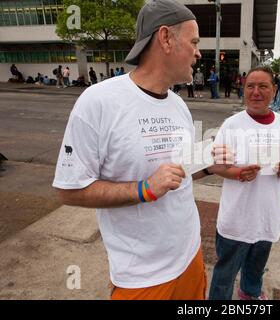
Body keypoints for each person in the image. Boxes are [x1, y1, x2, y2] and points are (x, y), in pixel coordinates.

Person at [53, 0, 232, 300]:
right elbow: (69, 190)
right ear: (165, 38)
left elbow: (181, 172)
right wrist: (145, 189)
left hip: (190, 256)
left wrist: (212, 165)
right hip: (141, 277)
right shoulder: (98, 102)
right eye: (194, 42)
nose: (199, 52)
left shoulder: (178, 105)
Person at [209, 66, 280, 300]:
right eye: (250, 86)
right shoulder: (232, 125)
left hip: (267, 217)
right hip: (237, 219)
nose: (256, 92)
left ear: (274, 90)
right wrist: (237, 173)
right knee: (225, 274)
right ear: (243, 90)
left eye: (263, 86)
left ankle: (249, 296)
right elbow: (215, 166)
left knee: (255, 270)